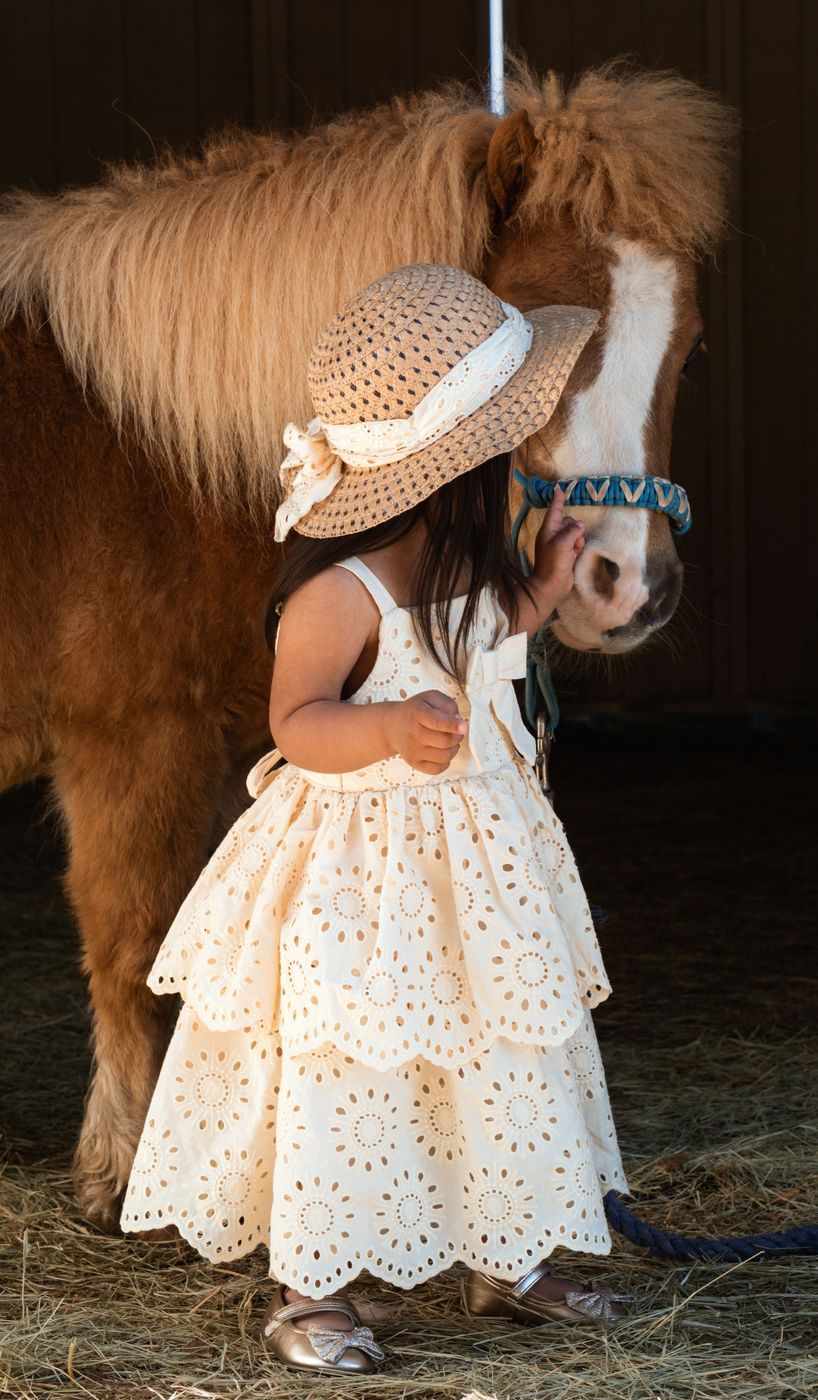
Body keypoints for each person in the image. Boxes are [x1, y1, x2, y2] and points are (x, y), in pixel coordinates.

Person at [121, 262, 630, 1374]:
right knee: (351, 1067)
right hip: (365, 885)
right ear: (455, 469)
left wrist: (541, 590)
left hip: (479, 880)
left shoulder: (466, 571)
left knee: (499, 1051)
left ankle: (511, 1243)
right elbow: (296, 722)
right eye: (503, 448)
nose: (515, 467)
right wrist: (389, 725)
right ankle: (315, 1285)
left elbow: (491, 638)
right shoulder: (337, 593)